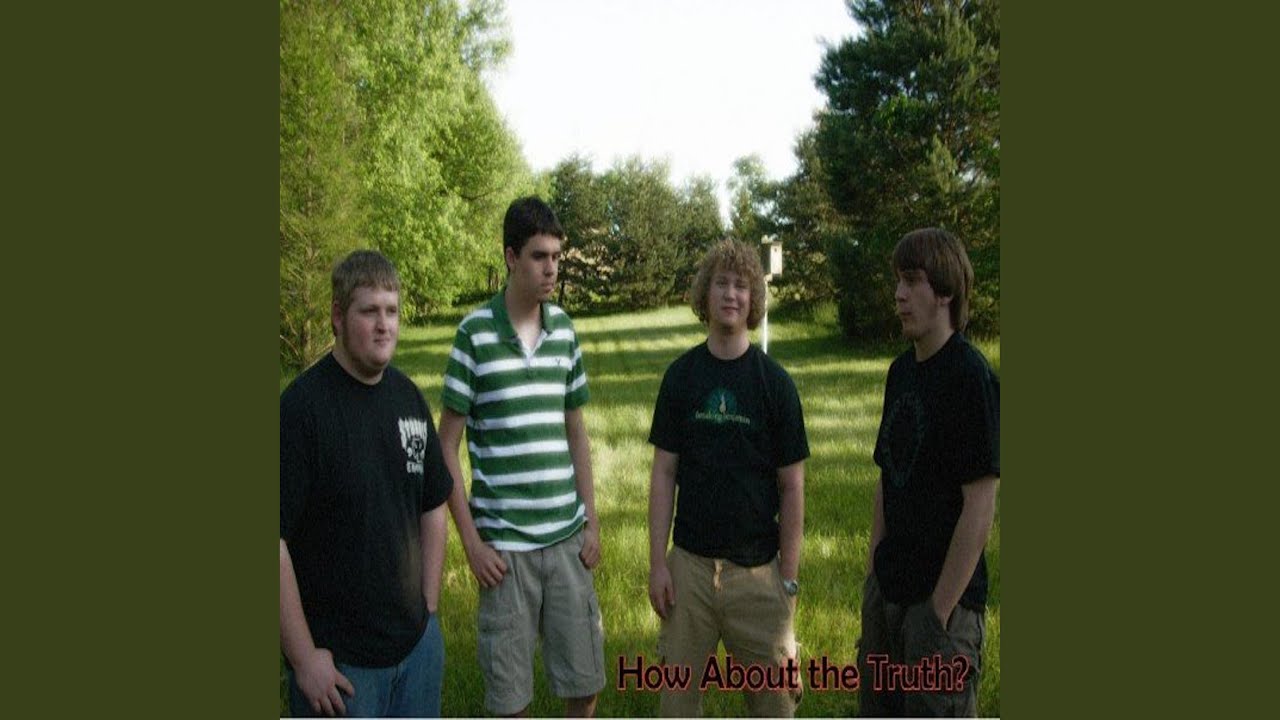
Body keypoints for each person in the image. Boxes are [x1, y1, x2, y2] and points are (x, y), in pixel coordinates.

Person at [439, 196, 605, 717]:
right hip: (505, 554)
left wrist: (591, 522)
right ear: (511, 257)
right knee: (510, 701)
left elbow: (576, 432)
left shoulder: (565, 332)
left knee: (585, 684)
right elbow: (446, 448)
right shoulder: (474, 335)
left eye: (556, 256)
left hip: (566, 543)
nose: (551, 268)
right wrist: (471, 544)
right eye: (539, 256)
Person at [280, 250, 453, 717]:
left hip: (416, 655)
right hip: (341, 673)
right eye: (369, 311)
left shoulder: (408, 398)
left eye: (391, 311)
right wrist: (303, 657)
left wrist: (428, 611)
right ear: (338, 316)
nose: (384, 325)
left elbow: (434, 503)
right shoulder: (301, 411)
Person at [647, 238, 809, 718]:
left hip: (758, 574)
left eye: (741, 285)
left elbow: (792, 487)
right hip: (689, 570)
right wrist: (658, 564)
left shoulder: (775, 384)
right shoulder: (681, 377)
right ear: (706, 292)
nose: (731, 294)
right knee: (676, 704)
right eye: (721, 283)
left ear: (753, 298)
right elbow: (664, 473)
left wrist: (788, 579)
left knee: (775, 705)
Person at [856, 228, 1000, 717]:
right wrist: (873, 578)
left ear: (945, 292)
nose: (898, 294)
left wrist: (938, 611)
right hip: (889, 595)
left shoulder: (971, 378)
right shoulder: (900, 373)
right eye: (898, 280)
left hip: (944, 610)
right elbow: (887, 478)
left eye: (912, 280)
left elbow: (979, 507)